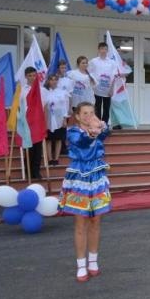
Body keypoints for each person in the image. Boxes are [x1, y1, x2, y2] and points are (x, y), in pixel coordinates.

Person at [58, 102, 111, 282]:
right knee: (81, 221)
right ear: (78, 117)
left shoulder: (96, 129)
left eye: (92, 113)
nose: (89, 116)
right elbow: (82, 141)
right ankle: (81, 265)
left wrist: (102, 126)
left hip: (96, 174)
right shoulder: (73, 132)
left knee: (96, 219)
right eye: (85, 114)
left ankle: (93, 261)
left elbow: (106, 133)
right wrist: (93, 131)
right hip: (79, 176)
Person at [22, 67, 44, 179]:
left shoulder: (41, 89)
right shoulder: (21, 90)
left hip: (38, 122)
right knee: (28, 147)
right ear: (26, 76)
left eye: (34, 75)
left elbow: (44, 106)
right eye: (30, 75)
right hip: (26, 122)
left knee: (38, 148)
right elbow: (18, 107)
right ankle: (28, 171)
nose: (32, 78)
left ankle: (36, 171)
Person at [43, 74, 70, 166]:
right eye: (51, 79)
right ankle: (50, 158)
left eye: (55, 80)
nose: (53, 81)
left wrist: (64, 119)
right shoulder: (45, 92)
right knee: (49, 139)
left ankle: (56, 158)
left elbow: (64, 106)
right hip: (49, 118)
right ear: (48, 81)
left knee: (59, 139)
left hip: (59, 118)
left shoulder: (62, 92)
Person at [88, 42, 116, 125]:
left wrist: (112, 89)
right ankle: (97, 125)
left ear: (107, 51)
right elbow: (89, 73)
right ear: (98, 50)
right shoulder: (93, 61)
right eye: (102, 49)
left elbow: (114, 76)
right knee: (97, 107)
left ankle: (105, 126)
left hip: (108, 90)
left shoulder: (112, 62)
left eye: (105, 49)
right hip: (97, 90)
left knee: (106, 108)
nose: (103, 51)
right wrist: (93, 83)